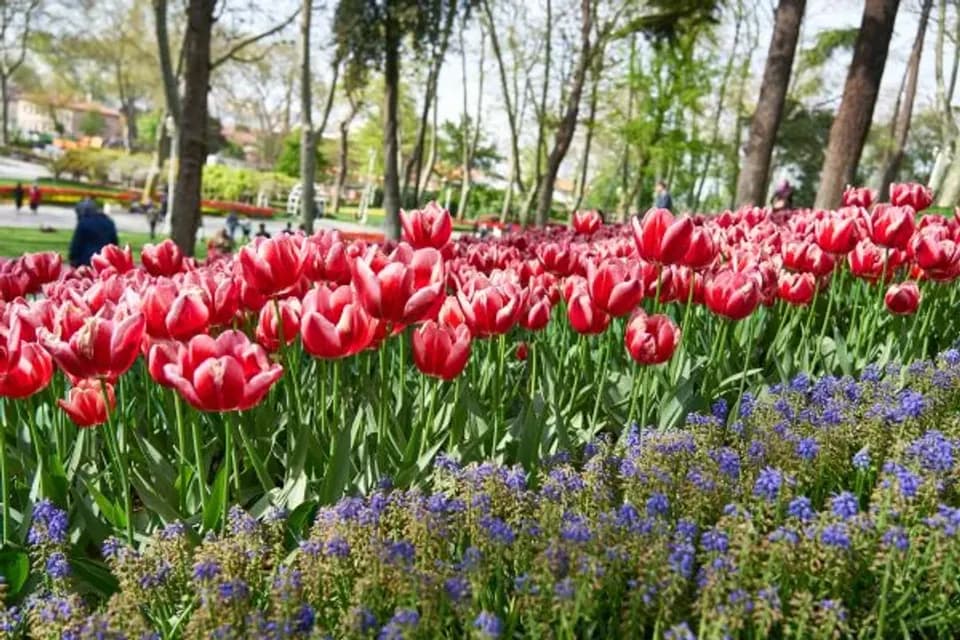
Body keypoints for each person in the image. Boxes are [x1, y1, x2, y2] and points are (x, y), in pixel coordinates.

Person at [68, 202, 118, 267]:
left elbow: (76, 244)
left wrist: (72, 258)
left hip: (86, 261)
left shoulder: (83, 223)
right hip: (105, 261)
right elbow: (114, 243)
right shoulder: (109, 222)